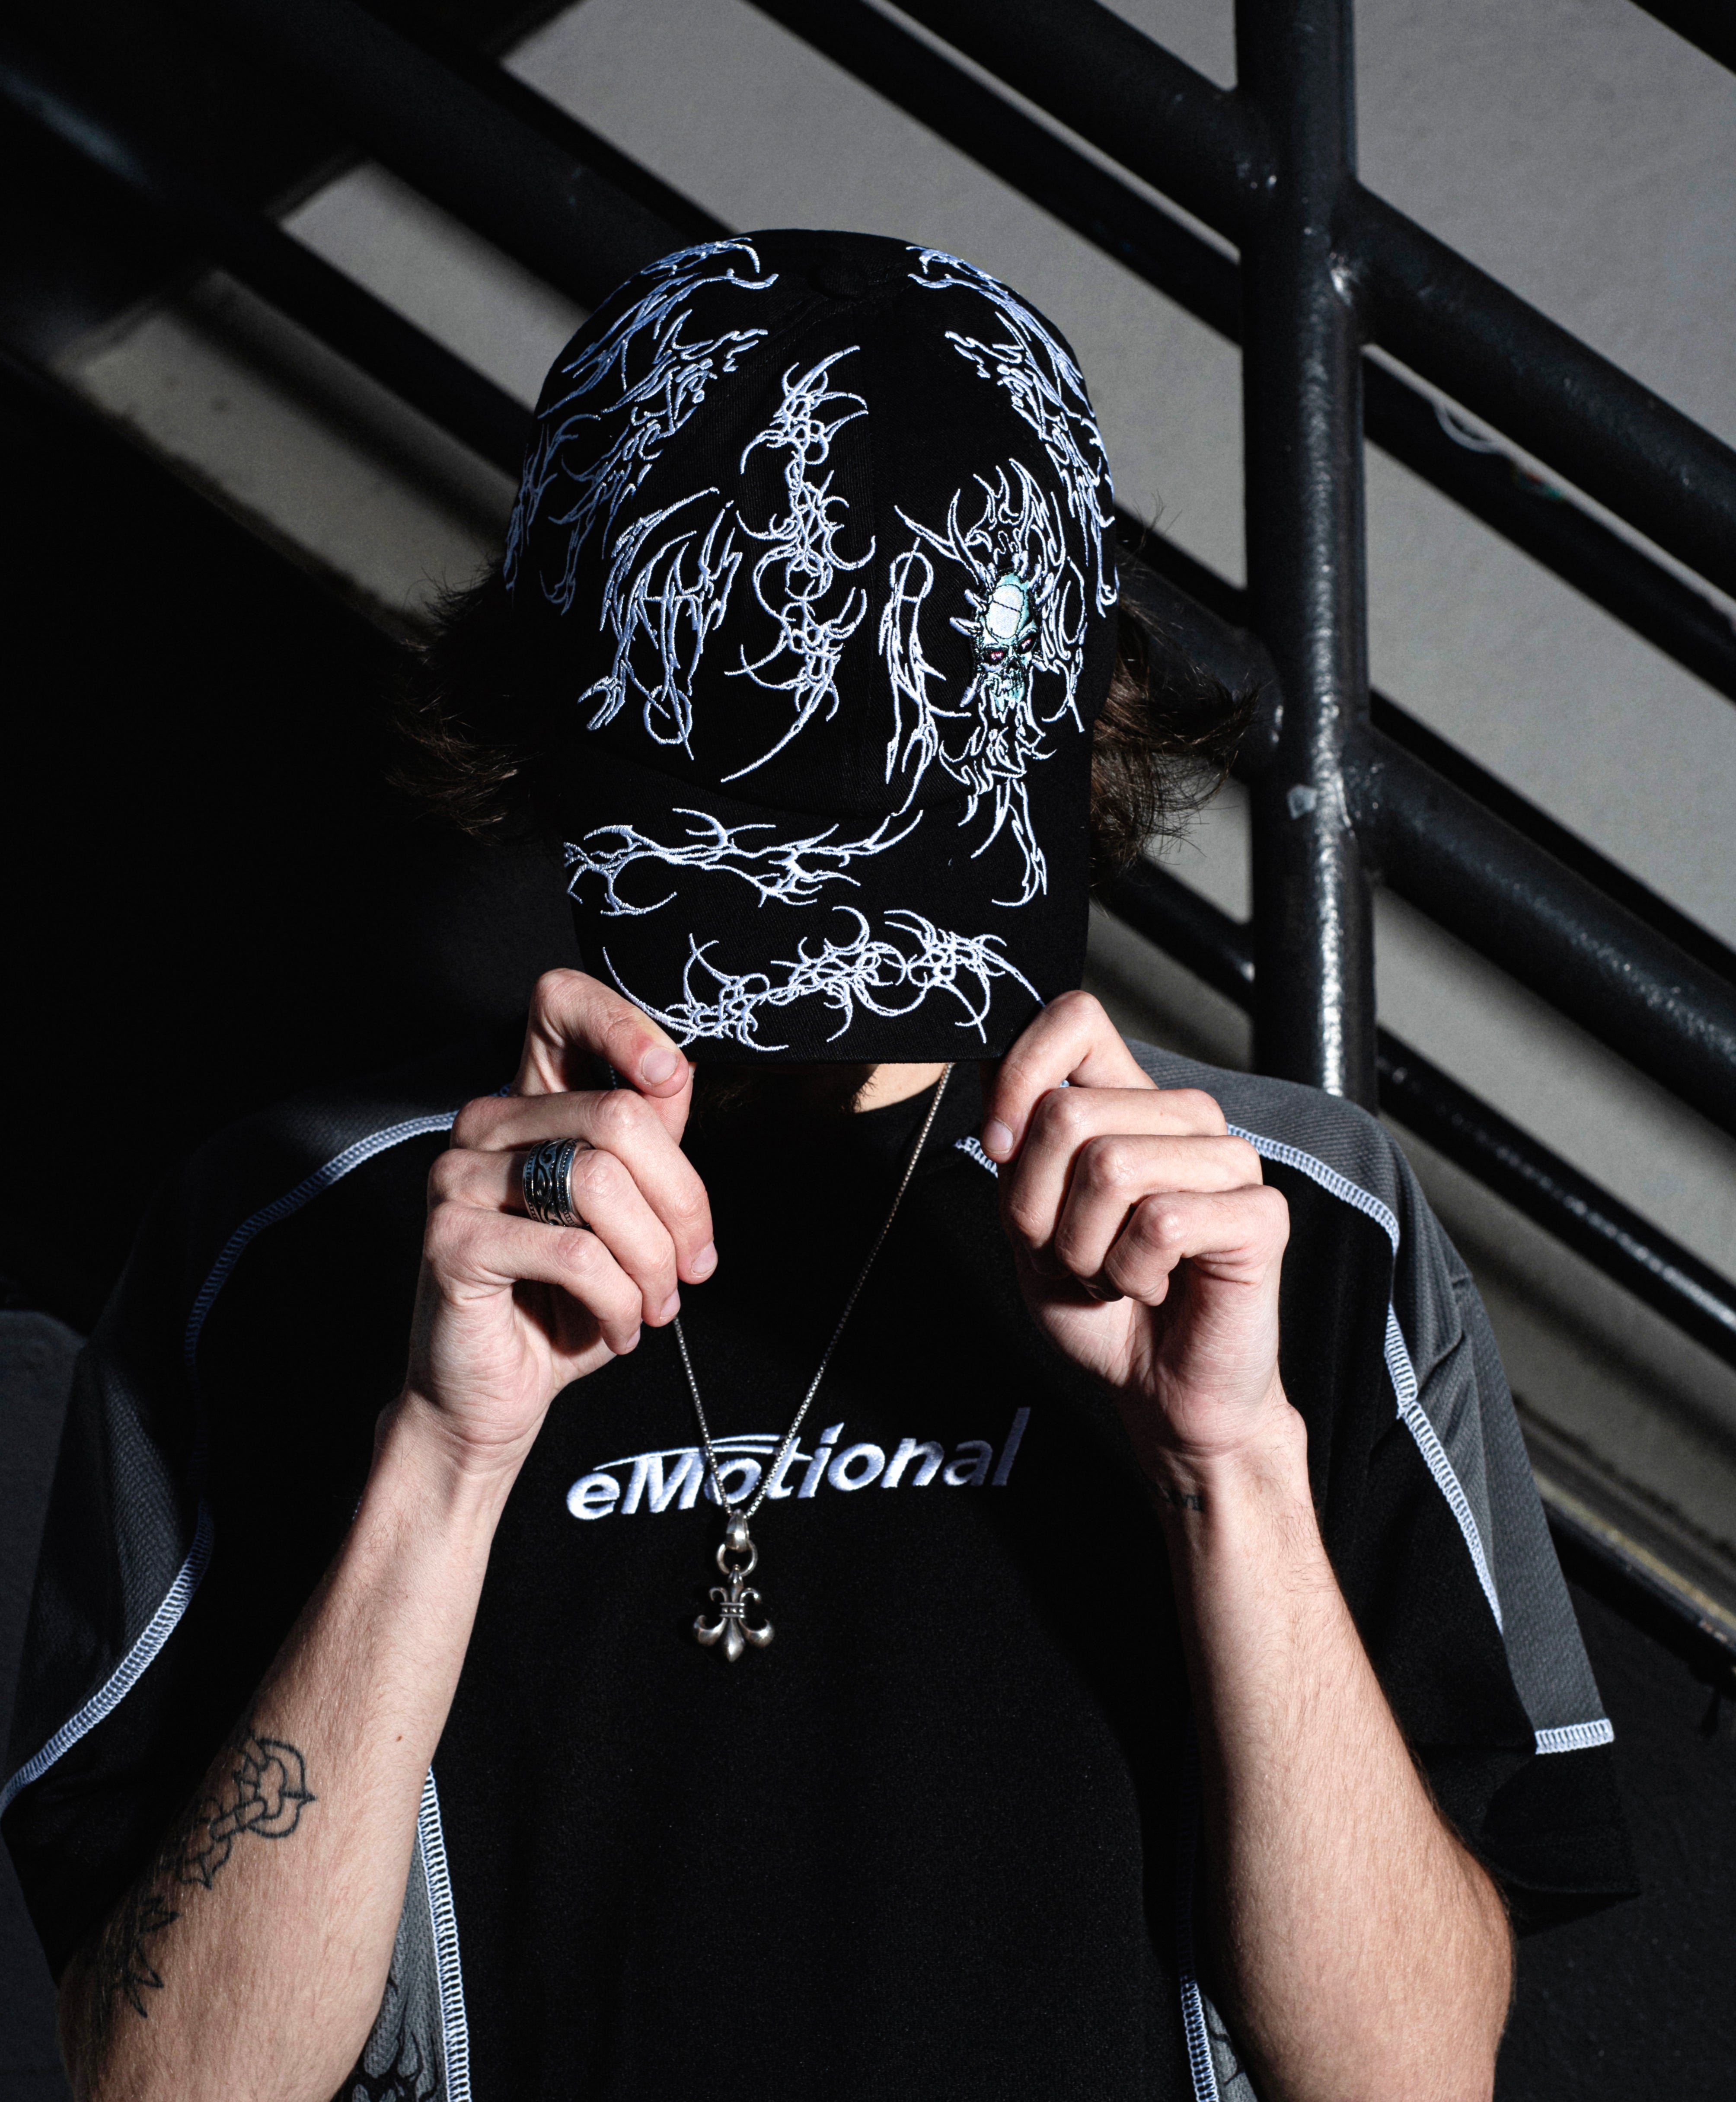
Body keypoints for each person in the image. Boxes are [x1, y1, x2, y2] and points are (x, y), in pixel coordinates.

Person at [3, 230, 1630, 2102]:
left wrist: (1229, 1469)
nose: (827, 914)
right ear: (553, 706)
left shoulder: (1292, 1227)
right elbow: (163, 2085)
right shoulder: (287, 1232)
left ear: (1073, 712)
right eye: (745, 789)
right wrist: (441, 1462)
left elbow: (1408, 2078)